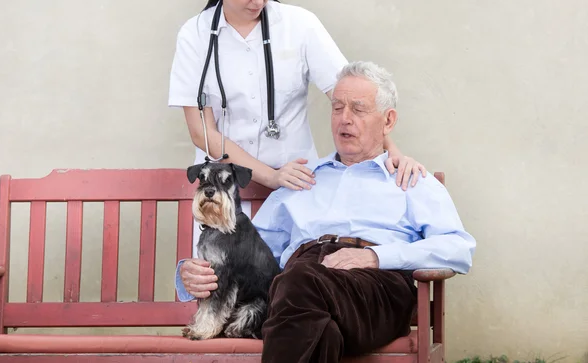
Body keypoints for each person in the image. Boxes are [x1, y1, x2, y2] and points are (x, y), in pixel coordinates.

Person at [177, 61, 476, 363]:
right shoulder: (299, 180)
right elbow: (248, 251)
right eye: (337, 108)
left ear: (387, 122)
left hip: (375, 285)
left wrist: (376, 257)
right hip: (299, 289)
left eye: (358, 110)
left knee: (297, 282)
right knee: (322, 331)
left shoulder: (409, 180)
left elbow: (458, 249)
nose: (344, 120)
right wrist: (188, 275)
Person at [168, 0, 426, 195]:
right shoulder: (194, 35)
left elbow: (353, 96)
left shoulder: (300, 25)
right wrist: (271, 176)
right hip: (222, 191)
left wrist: (392, 151)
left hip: (297, 187)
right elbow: (202, 133)